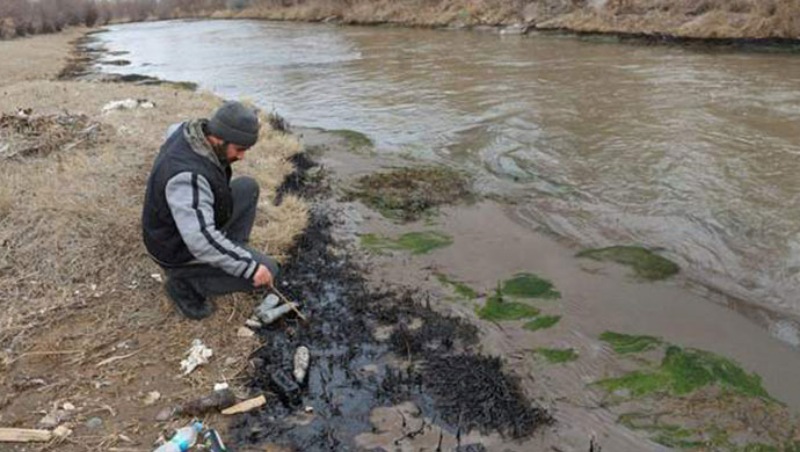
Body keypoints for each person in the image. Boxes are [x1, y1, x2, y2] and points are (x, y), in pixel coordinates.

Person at [142, 100, 279, 319]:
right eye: (240, 149)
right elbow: (200, 241)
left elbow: (170, 131)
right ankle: (185, 284)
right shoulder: (188, 177)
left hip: (186, 227)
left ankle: (231, 249)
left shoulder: (191, 132)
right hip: (176, 248)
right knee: (268, 269)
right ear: (218, 138)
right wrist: (249, 268)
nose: (242, 156)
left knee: (246, 187)